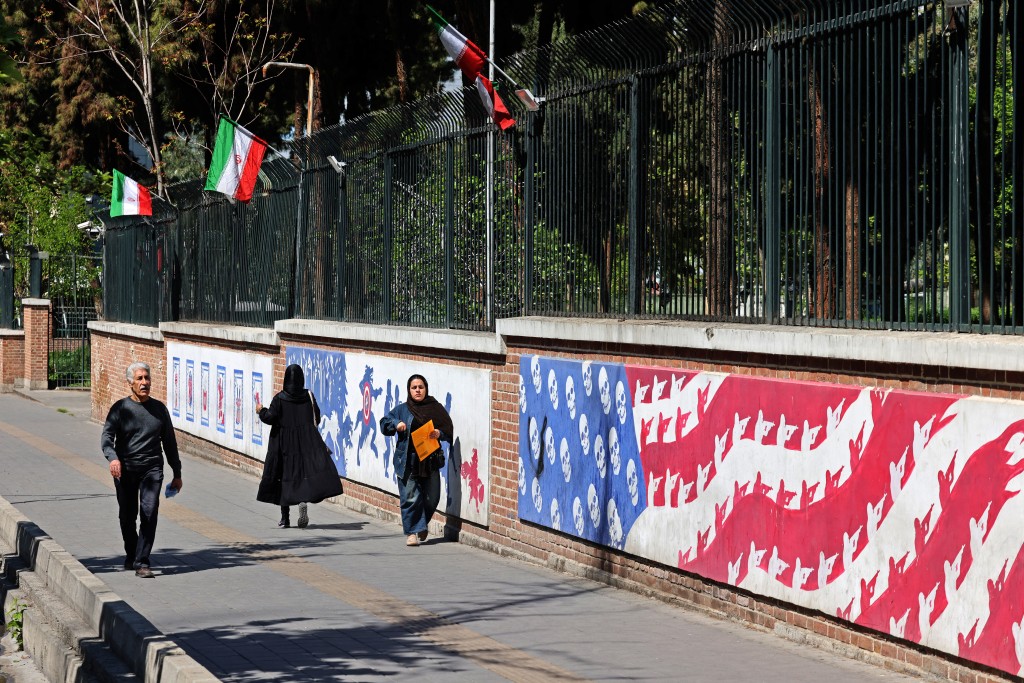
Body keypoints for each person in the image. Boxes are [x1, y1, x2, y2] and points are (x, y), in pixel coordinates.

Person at [101, 361, 183, 579]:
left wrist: (177, 474)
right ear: (130, 383)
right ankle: (132, 552)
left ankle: (142, 561)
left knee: (149, 512)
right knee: (128, 516)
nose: (144, 383)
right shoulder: (120, 409)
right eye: (139, 379)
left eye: (147, 378)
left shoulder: (159, 410)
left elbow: (170, 443)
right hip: (125, 469)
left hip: (152, 469)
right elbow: (107, 438)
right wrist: (113, 459)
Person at [255, 364, 343, 528]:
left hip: (284, 445)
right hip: (305, 443)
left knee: (284, 477)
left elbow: (270, 418)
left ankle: (285, 518)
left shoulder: (280, 398)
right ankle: (302, 500)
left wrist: (261, 410)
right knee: (302, 474)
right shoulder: (308, 395)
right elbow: (317, 415)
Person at [380, 374, 453, 547]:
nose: (418, 390)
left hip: (429, 459)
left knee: (432, 497)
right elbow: (384, 423)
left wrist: (439, 434)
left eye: (421, 387)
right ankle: (412, 533)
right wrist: (396, 424)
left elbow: (448, 429)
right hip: (407, 460)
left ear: (426, 388)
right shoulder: (402, 409)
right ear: (409, 390)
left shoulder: (435, 408)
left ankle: (420, 524)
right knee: (410, 498)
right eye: (414, 387)